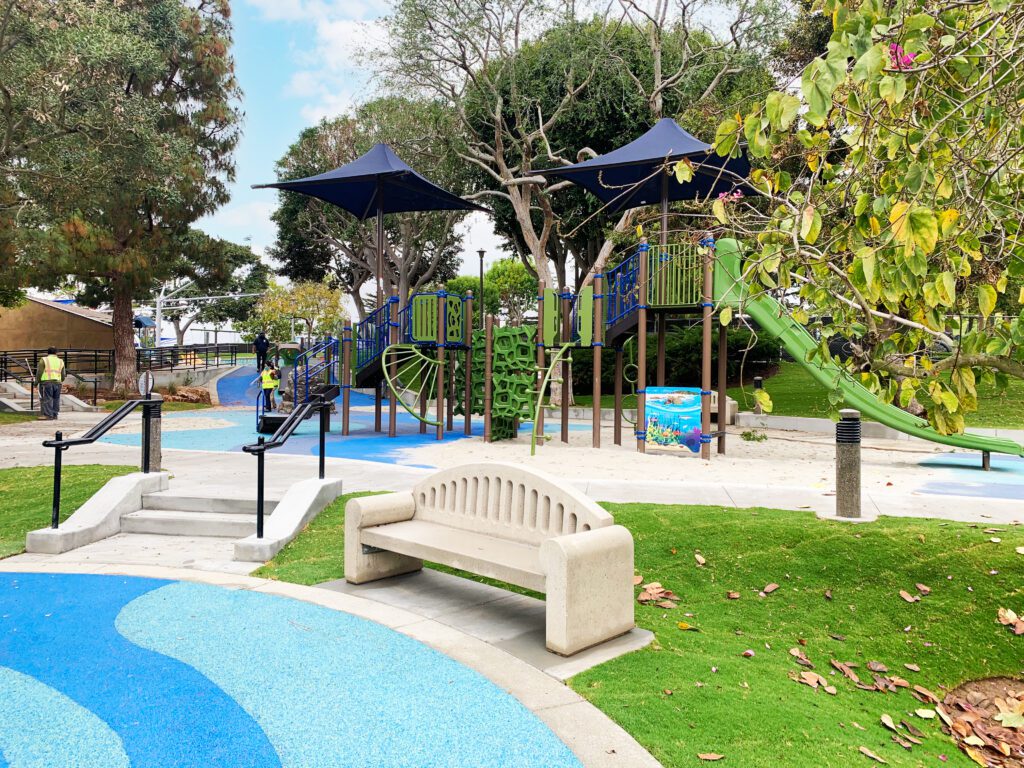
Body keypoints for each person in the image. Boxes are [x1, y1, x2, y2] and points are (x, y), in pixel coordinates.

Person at [36, 347, 65, 420]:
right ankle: (55, 414)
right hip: (58, 383)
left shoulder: (44, 360)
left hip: (47, 383)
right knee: (56, 399)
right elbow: (63, 374)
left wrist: (36, 382)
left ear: (48, 352)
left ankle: (48, 415)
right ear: (56, 353)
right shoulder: (61, 361)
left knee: (47, 398)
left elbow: (39, 372)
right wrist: (61, 379)